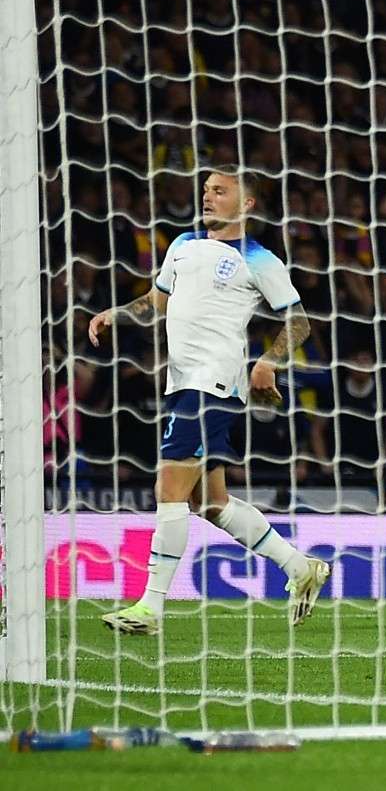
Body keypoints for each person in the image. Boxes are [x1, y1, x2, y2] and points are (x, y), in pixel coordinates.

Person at [88, 170, 331, 635]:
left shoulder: (259, 259)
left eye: (220, 191)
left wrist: (269, 362)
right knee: (211, 503)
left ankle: (151, 607)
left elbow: (298, 323)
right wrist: (115, 314)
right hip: (182, 384)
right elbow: (155, 303)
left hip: (214, 384)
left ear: (248, 203)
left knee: (169, 490)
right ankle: (300, 567)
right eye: (206, 190)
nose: (208, 196)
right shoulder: (181, 244)